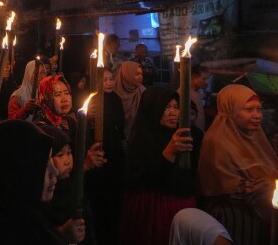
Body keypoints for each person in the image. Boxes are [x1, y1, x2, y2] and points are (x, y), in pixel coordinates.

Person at [198, 84, 278, 245]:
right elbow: (230, 188)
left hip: (262, 215)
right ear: (231, 110)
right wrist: (271, 182)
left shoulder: (255, 136)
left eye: (259, 109)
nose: (257, 116)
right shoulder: (217, 141)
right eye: (249, 110)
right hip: (235, 219)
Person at [119, 86, 200, 245]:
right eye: (166, 107)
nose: (173, 113)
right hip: (152, 209)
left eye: (176, 107)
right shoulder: (142, 140)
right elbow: (142, 178)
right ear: (153, 109)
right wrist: (170, 151)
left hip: (180, 205)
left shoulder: (185, 135)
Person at [85, 67, 126, 245]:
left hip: (114, 152)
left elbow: (120, 124)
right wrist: (88, 118)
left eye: (111, 79)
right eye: (104, 80)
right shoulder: (90, 99)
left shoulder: (115, 99)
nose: (108, 83)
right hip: (96, 152)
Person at [39, 126, 86, 244]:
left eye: (69, 153)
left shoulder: (73, 187)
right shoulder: (42, 196)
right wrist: (62, 233)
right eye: (60, 155)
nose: (67, 161)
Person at [114, 61, 146, 140]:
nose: (140, 77)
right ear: (126, 74)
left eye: (141, 74)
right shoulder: (112, 93)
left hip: (137, 137)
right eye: (137, 74)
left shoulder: (142, 91)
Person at [179, 64, 209, 132]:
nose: (206, 82)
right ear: (193, 77)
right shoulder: (185, 94)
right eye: (204, 79)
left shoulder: (194, 93)